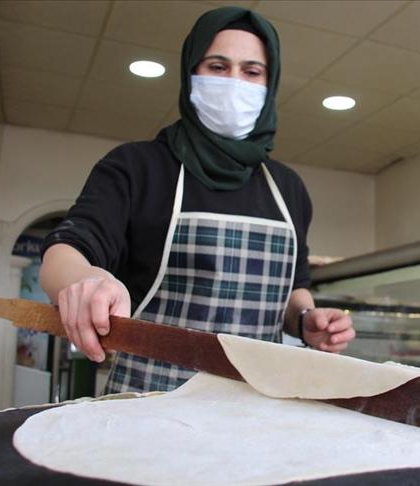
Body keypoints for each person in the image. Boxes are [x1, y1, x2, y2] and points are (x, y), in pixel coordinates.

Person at [39, 7, 355, 394]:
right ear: (191, 74)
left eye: (252, 72)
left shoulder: (287, 187)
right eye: (218, 67)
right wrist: (84, 280)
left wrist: (307, 319)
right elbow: (67, 248)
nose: (235, 82)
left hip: (260, 405)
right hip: (150, 401)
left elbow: (293, 289)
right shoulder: (137, 167)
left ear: (269, 86)